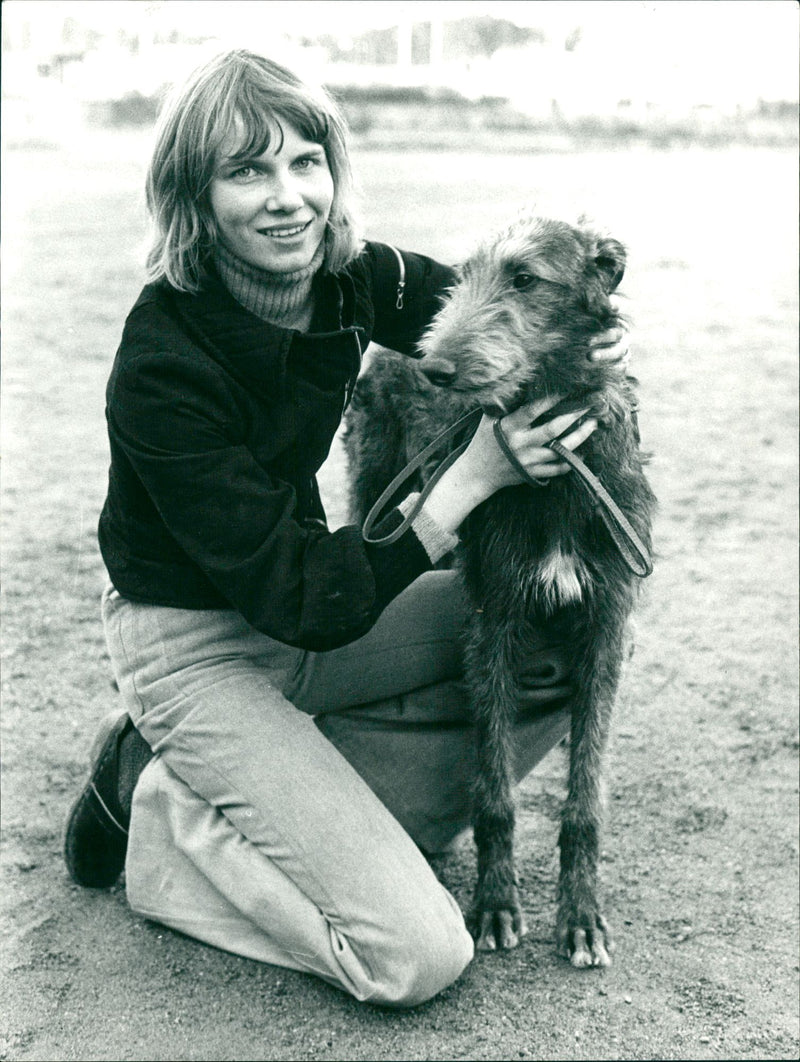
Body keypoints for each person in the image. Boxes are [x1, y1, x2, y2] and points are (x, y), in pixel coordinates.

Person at [64, 50, 630, 1007]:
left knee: (544, 648)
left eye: (305, 163)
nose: (289, 199)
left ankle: (292, 797)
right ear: (192, 196)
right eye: (248, 170)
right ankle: (163, 825)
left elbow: (498, 297)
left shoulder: (352, 279)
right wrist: (470, 481)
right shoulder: (161, 364)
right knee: (415, 956)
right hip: (202, 645)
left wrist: (593, 332)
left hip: (311, 619)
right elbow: (302, 594)